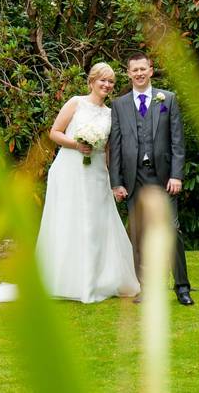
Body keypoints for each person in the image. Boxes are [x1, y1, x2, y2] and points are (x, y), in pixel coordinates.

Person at [35, 63, 140, 303]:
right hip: (69, 169)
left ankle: (95, 279)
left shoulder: (110, 114)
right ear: (91, 82)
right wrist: (76, 144)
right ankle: (64, 280)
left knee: (95, 223)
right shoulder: (75, 102)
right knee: (69, 221)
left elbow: (109, 149)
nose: (106, 85)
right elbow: (55, 132)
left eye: (110, 82)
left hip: (95, 173)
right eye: (102, 80)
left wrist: (112, 179)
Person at [109, 52, 194, 306]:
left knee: (172, 231)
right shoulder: (119, 105)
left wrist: (177, 175)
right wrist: (117, 182)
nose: (139, 73)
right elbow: (115, 145)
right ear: (128, 73)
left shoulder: (167, 99)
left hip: (163, 178)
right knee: (139, 235)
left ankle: (181, 287)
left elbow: (177, 141)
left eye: (143, 69)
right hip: (134, 179)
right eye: (134, 70)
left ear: (151, 70)